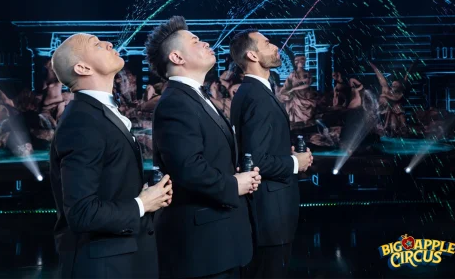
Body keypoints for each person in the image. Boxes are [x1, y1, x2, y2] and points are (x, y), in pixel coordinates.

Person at [50, 33, 172, 279]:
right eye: (96, 44)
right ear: (82, 68)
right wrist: (142, 204)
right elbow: (81, 212)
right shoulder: (82, 121)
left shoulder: (98, 112)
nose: (108, 44)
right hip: (104, 267)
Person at [147, 16, 261, 279]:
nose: (206, 43)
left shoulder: (197, 97)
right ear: (177, 57)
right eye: (196, 41)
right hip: (201, 249)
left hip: (221, 242)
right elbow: (188, 169)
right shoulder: (174, 103)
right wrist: (235, 185)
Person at [229, 30, 313, 279]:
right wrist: (295, 163)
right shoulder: (257, 97)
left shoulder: (251, 92)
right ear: (252, 55)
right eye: (267, 43)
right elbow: (256, 159)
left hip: (267, 216)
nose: (276, 46)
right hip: (270, 216)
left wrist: (284, 153)